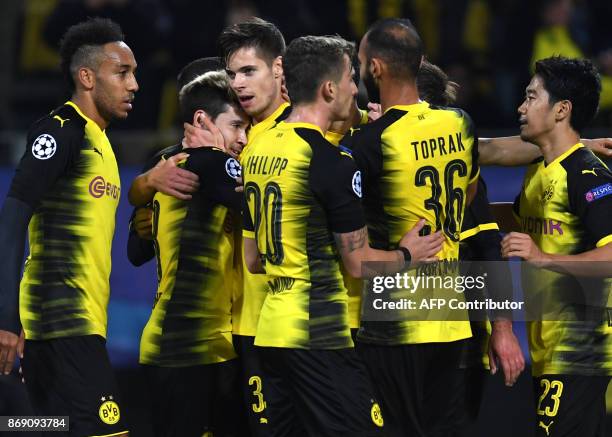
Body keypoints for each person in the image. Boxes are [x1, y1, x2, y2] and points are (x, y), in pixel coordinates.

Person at [242, 34, 444, 436]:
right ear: (329, 88)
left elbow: (253, 258)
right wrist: (407, 254)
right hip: (318, 333)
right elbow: (358, 264)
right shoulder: (332, 161)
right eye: (351, 77)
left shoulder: (256, 151)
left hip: (270, 333)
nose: (357, 86)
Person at [341, 18, 479, 436]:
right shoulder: (460, 123)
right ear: (420, 62)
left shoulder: (367, 143)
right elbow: (469, 192)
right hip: (452, 316)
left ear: (375, 69)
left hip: (395, 317)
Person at [0, 17, 137, 436]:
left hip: (72, 330)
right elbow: (12, 218)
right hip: (64, 327)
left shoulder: (102, 144)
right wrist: (7, 318)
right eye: (123, 73)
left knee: (47, 429)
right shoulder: (61, 132)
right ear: (87, 77)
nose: (134, 85)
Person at [500, 56, 611, 437]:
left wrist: (542, 257)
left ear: (562, 109)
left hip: (582, 350)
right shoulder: (537, 172)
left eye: (532, 97)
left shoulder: (586, 174)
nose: (521, 107)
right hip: (548, 347)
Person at [415, 60, 525, 434]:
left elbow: (486, 248)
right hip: (393, 336)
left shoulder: (457, 169)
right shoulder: (368, 154)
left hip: (456, 340)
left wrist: (502, 328)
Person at [139, 70, 249, 437]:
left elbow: (135, 251)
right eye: (236, 126)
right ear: (201, 119)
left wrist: (142, 190)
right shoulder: (214, 162)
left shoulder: (162, 165)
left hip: (170, 344)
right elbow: (268, 215)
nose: (243, 139)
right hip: (193, 349)